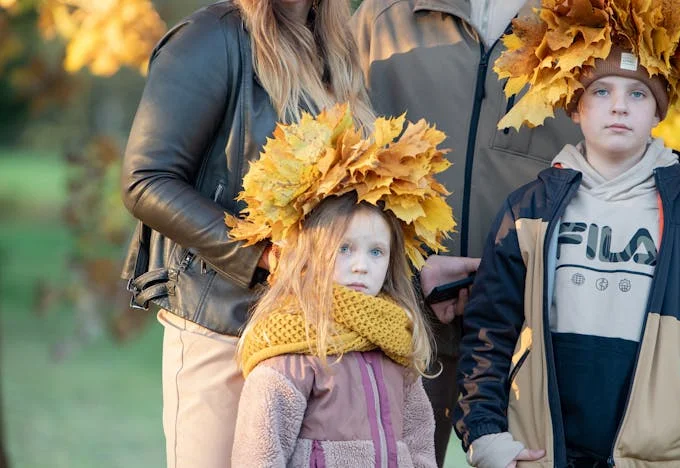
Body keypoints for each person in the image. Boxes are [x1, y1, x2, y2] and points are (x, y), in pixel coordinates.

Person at [453, 2, 680, 467]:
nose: (619, 105)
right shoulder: (529, 209)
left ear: (658, 113)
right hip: (538, 447)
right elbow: (488, 331)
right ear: (575, 109)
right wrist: (485, 434)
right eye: (600, 90)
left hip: (648, 452)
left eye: (638, 95)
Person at [119, 1, 375, 466]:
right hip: (223, 329)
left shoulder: (336, 46)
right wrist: (261, 254)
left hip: (316, 341)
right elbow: (146, 178)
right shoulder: (212, 37)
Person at [351, 2, 583, 462]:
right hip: (396, 324)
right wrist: (407, 273)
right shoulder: (383, 17)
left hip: (534, 337)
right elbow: (336, 170)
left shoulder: (590, 22)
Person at [226, 103, 454, 466]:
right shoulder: (293, 347)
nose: (361, 265)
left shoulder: (396, 347)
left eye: (376, 252)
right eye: (344, 248)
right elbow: (259, 453)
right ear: (311, 255)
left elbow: (420, 446)